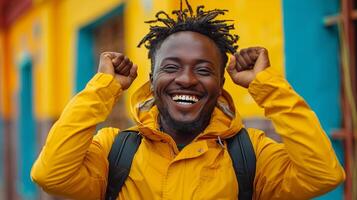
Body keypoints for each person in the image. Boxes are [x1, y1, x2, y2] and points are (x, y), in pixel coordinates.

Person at [31, 1, 345, 199]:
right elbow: (51, 175)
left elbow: (323, 175)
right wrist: (103, 88)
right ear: (152, 80)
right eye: (171, 67)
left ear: (221, 83)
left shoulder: (253, 153)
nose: (187, 79)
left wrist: (266, 86)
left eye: (204, 70)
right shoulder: (115, 150)